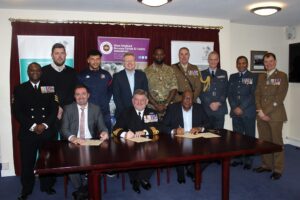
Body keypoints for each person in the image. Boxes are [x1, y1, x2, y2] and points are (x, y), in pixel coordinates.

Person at [12, 62, 58, 200]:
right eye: (32, 70)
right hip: (28, 132)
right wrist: (33, 126)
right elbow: (17, 112)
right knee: (27, 162)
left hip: (47, 131)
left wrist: (44, 124)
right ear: (28, 72)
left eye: (37, 70)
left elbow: (54, 108)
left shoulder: (48, 88)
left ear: (41, 72)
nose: (35, 72)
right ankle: (26, 189)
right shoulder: (19, 89)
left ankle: (47, 186)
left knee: (48, 162)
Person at [61, 84, 109, 199]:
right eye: (77, 94)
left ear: (88, 95)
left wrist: (104, 132)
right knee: (71, 165)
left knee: (102, 163)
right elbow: (64, 129)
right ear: (74, 96)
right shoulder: (68, 108)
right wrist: (73, 138)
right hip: (74, 143)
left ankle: (82, 192)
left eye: (83, 94)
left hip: (91, 143)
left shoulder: (95, 108)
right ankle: (81, 188)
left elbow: (103, 127)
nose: (81, 97)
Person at [112, 89, 160, 194]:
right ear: (132, 101)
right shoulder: (125, 112)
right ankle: (138, 179)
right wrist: (125, 134)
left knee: (154, 154)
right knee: (130, 156)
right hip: (130, 146)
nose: (139, 102)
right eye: (136, 100)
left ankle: (140, 179)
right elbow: (115, 129)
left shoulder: (152, 113)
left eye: (142, 100)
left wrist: (144, 131)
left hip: (148, 146)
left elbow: (156, 128)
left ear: (147, 101)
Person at [162, 90, 210, 184]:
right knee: (178, 149)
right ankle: (181, 172)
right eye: (185, 98)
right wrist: (174, 130)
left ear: (193, 100)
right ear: (181, 98)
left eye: (190, 99)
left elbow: (208, 123)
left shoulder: (199, 107)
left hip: (195, 139)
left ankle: (192, 170)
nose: (188, 101)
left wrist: (200, 128)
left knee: (210, 153)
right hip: (178, 140)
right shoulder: (172, 108)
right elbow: (163, 126)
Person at [253, 52, 288, 180]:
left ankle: (278, 169)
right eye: (266, 62)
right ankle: (266, 165)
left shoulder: (282, 76)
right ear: (264, 63)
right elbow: (257, 94)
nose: (268, 64)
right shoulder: (261, 76)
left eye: (271, 61)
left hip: (275, 115)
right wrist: (259, 110)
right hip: (261, 114)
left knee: (276, 142)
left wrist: (265, 112)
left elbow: (279, 97)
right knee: (264, 142)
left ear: (275, 62)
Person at [228, 56, 257, 169]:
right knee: (237, 136)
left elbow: (253, 94)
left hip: (248, 112)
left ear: (247, 64)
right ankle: (238, 158)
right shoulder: (233, 77)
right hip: (235, 112)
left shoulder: (253, 76)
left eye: (243, 63)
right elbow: (229, 94)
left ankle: (248, 160)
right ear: (236, 64)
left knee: (249, 137)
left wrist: (242, 107)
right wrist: (235, 107)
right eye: (239, 63)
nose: (241, 65)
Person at [41, 43, 78, 128]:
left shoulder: (72, 72)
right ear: (52, 55)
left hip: (68, 114)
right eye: (56, 53)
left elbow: (73, 92)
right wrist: (56, 107)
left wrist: (62, 107)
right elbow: (45, 91)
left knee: (68, 140)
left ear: (65, 55)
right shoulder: (43, 71)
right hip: (49, 114)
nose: (60, 56)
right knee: (49, 141)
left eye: (62, 53)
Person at [78, 49, 113, 132]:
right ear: (88, 60)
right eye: (92, 59)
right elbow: (78, 94)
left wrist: (105, 101)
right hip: (88, 113)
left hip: (104, 113)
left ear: (100, 60)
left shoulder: (106, 74)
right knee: (89, 140)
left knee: (106, 139)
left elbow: (110, 90)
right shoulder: (81, 75)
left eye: (97, 59)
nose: (95, 62)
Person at [145, 47, 178, 119]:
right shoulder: (146, 71)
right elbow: (145, 91)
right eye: (157, 54)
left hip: (168, 107)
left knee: (168, 128)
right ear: (153, 55)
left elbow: (174, 88)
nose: (159, 56)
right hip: (151, 107)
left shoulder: (170, 70)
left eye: (161, 54)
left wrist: (166, 104)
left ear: (164, 55)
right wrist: (156, 105)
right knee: (152, 127)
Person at [113, 52, 148, 118]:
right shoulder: (117, 77)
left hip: (140, 111)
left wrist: (140, 109)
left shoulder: (142, 75)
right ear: (123, 63)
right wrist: (124, 113)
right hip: (123, 113)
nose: (129, 63)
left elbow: (145, 93)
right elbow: (116, 97)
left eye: (131, 60)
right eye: (127, 61)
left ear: (135, 62)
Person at [200, 51, 228, 129]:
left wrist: (218, 103)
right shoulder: (202, 74)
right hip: (206, 109)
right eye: (211, 59)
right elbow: (200, 91)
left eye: (215, 59)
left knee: (219, 134)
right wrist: (209, 103)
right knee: (206, 134)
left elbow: (226, 90)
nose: (213, 61)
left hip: (220, 109)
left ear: (218, 60)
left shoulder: (224, 73)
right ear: (208, 60)